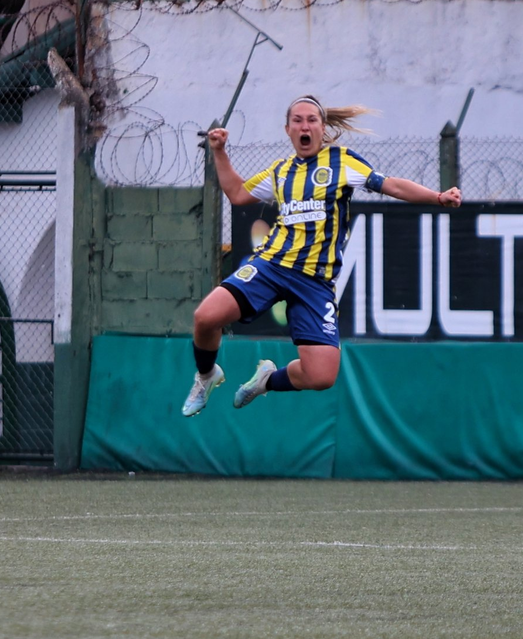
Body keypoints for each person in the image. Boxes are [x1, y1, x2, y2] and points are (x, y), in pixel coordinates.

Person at [182, 94, 462, 416]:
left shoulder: (342, 162)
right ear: (287, 129)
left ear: (322, 127)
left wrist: (437, 196)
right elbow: (237, 193)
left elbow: (393, 185)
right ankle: (206, 376)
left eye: (312, 120)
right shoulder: (281, 171)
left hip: (315, 281)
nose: (305, 126)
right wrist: (218, 151)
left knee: (321, 376)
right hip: (272, 265)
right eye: (297, 120)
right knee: (205, 317)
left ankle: (266, 381)